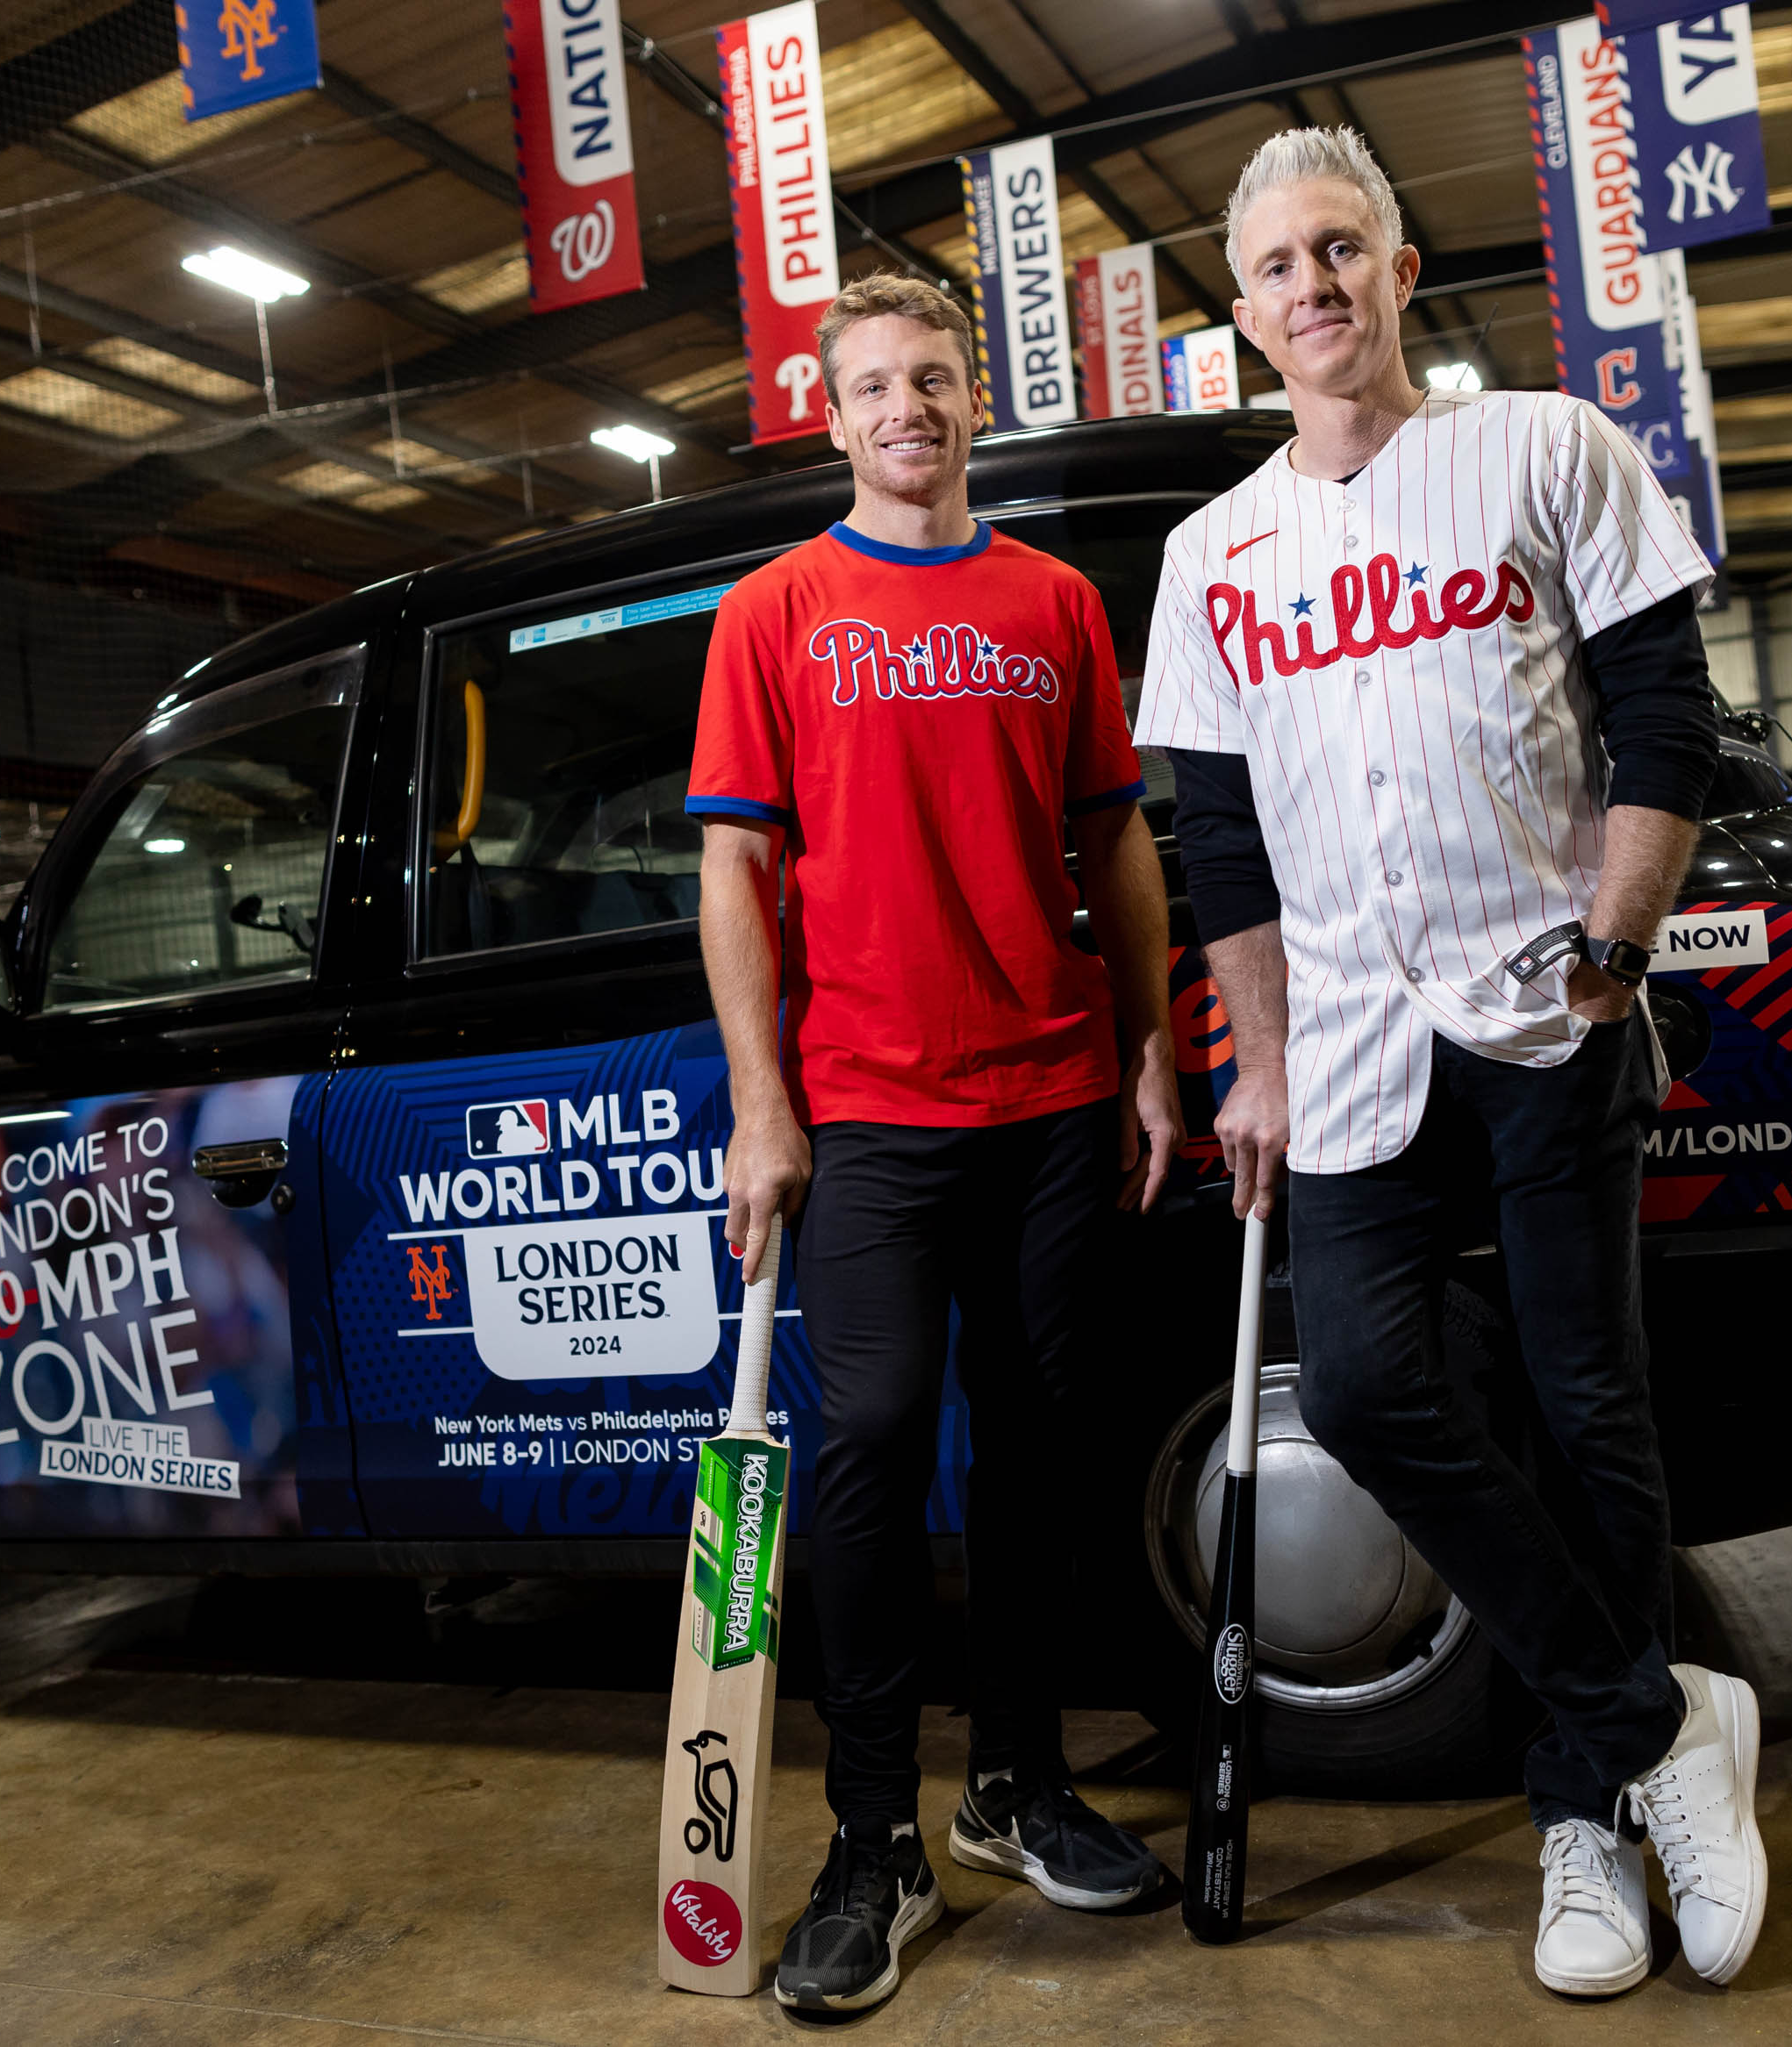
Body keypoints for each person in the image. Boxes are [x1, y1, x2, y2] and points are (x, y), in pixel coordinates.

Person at [1131, 127, 1770, 1997]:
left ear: (1400, 270)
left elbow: (1664, 719)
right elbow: (1220, 850)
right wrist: (1251, 1063)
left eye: (1341, 248)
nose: (1310, 286)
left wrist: (1613, 948)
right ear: (1240, 314)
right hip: (1338, 1048)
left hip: (1544, 1018)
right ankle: (1660, 1728)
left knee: (1589, 1404)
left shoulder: (1547, 447)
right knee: (1370, 1387)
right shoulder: (1207, 553)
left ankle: (1581, 1812)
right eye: (1274, 266)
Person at [686, 271, 1186, 2013]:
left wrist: (1145, 1049)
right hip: (875, 1114)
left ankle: (1021, 1779)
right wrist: (764, 1099)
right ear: (833, 417)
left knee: (1041, 1450)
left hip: (1050, 1096)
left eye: (934, 378)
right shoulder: (774, 611)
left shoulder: (1051, 601)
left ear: (972, 400)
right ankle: (872, 1833)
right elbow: (737, 873)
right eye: (875, 385)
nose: (907, 406)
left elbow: (1117, 842)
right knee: (876, 1444)